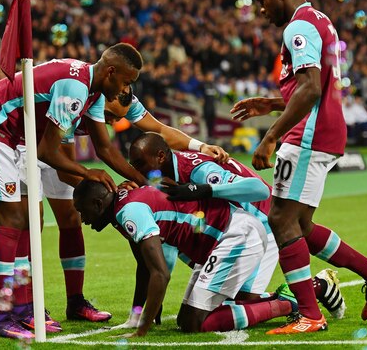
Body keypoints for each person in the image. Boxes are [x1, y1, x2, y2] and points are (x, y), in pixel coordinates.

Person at [230, 0, 367, 334]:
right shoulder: (318, 18)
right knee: (300, 225)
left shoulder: (298, 27)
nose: (260, 9)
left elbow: (310, 89)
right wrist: (272, 103)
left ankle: (310, 314)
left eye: (262, 0)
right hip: (322, 131)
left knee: (280, 220)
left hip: (308, 135)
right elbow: (308, 85)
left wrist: (271, 135)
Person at [0, 43, 144, 339]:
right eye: (126, 80)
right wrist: (87, 172)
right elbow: (47, 152)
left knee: (29, 220)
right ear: (111, 71)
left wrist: (141, 181)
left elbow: (105, 148)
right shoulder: (75, 88)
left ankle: (23, 309)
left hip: (14, 137)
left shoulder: (93, 90)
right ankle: (1, 317)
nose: (126, 88)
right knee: (13, 220)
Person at [16, 87, 230, 324]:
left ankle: (75, 302)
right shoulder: (74, 99)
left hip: (55, 150)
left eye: (119, 117)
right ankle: (28, 306)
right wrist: (113, 194)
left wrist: (199, 147)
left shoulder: (123, 97)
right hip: (28, 144)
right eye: (110, 115)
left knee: (71, 220)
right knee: (31, 223)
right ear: (101, 96)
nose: (114, 121)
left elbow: (158, 129)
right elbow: (64, 167)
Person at [128, 132, 346, 321]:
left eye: (139, 164)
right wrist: (151, 300)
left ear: (160, 156)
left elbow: (259, 189)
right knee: (214, 301)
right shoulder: (163, 178)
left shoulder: (198, 170)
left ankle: (314, 288)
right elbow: (166, 252)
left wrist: (204, 189)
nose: (135, 172)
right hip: (225, 233)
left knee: (243, 300)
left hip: (261, 224)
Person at [74, 181, 296, 336]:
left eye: (82, 211)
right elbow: (144, 266)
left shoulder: (129, 212)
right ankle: (282, 297)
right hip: (222, 239)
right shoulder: (121, 210)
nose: (83, 219)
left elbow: (160, 274)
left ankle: (286, 304)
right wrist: (137, 315)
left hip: (235, 234)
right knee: (185, 320)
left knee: (195, 322)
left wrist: (142, 329)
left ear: (97, 204)